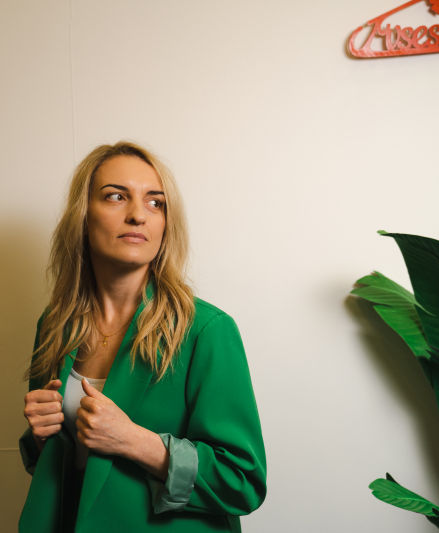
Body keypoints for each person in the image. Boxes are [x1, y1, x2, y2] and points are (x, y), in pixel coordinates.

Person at [19, 141, 266, 532]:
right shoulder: (55, 325)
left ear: (166, 224)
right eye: (116, 196)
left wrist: (133, 440)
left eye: (155, 203)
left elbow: (243, 482)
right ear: (83, 215)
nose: (137, 215)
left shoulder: (207, 330)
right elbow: (63, 472)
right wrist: (41, 437)